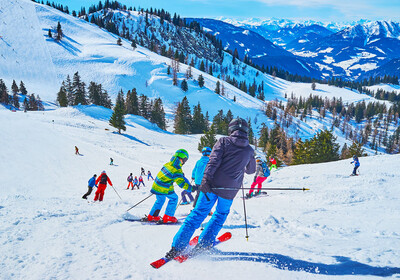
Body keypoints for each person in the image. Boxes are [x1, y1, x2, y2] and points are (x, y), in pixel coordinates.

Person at [164, 117, 256, 259]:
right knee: (219, 216)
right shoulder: (249, 150)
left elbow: (212, 162)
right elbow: (250, 171)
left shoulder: (224, 142)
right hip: (230, 191)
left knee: (197, 214)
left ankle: (177, 247)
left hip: (211, 186)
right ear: (246, 131)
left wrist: (205, 181)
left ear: (231, 129)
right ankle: (205, 243)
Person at [147, 149, 192, 223]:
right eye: (185, 160)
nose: (184, 162)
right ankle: (168, 216)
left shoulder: (168, 164)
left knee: (160, 200)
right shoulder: (177, 168)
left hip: (156, 185)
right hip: (163, 187)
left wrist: (179, 175)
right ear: (182, 158)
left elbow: (169, 174)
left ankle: (152, 216)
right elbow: (181, 184)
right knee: (174, 198)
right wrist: (191, 188)